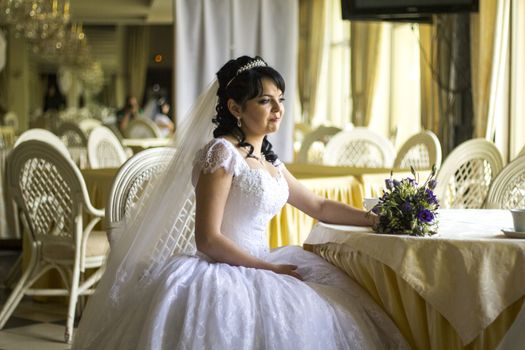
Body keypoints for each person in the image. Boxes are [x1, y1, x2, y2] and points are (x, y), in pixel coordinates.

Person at [73, 56, 408, 349]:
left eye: (280, 99)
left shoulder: (270, 161)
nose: (278, 109)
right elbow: (207, 239)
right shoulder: (221, 154)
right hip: (224, 270)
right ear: (235, 108)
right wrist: (269, 269)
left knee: (336, 306)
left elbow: (318, 206)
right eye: (265, 101)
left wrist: (375, 219)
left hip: (264, 259)